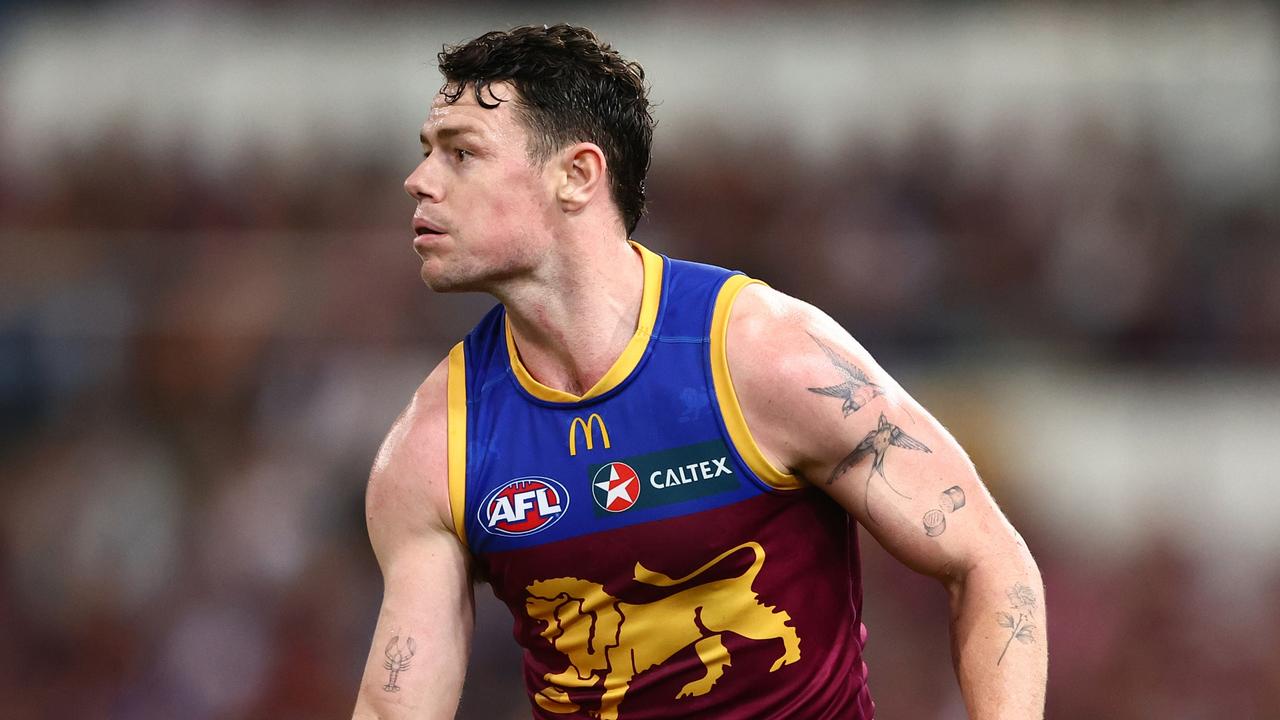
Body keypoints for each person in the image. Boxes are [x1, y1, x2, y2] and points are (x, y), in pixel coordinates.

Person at [351, 24, 1046, 720]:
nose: (419, 180)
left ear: (577, 175)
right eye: (426, 153)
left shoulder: (764, 357)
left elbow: (991, 563)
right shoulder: (433, 445)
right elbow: (394, 708)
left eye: (461, 153)